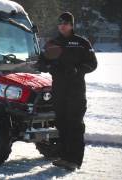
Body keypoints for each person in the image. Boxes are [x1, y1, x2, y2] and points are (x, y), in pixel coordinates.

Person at [38, 12, 98, 171]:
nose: (62, 26)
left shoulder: (82, 43)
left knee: (75, 124)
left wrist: (78, 70)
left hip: (76, 91)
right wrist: (50, 66)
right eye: (60, 23)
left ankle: (74, 159)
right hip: (59, 91)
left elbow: (92, 64)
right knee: (61, 124)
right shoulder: (52, 43)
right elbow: (41, 63)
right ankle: (64, 157)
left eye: (66, 23)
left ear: (72, 25)